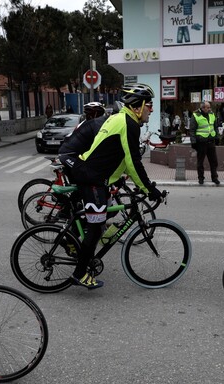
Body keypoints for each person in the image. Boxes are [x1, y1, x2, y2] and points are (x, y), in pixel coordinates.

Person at [67, 83, 164, 289]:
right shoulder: (128, 123)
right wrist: (149, 189)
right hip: (90, 177)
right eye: (150, 105)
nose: (152, 109)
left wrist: (118, 180)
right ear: (138, 106)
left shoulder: (121, 119)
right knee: (95, 229)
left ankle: (75, 242)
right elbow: (133, 161)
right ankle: (79, 273)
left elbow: (115, 156)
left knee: (102, 218)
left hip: (94, 175)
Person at [59, 101, 107, 183]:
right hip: (68, 155)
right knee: (85, 177)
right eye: (99, 115)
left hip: (76, 154)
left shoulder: (88, 123)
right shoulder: (89, 124)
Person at [189, 101, 220, 185]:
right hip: (201, 142)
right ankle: (201, 178)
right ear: (203, 108)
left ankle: (214, 178)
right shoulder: (195, 115)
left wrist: (217, 137)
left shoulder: (212, 114)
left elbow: (215, 127)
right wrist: (193, 142)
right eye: (208, 107)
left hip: (211, 141)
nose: (209, 109)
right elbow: (192, 130)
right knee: (200, 162)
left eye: (209, 107)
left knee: (214, 161)